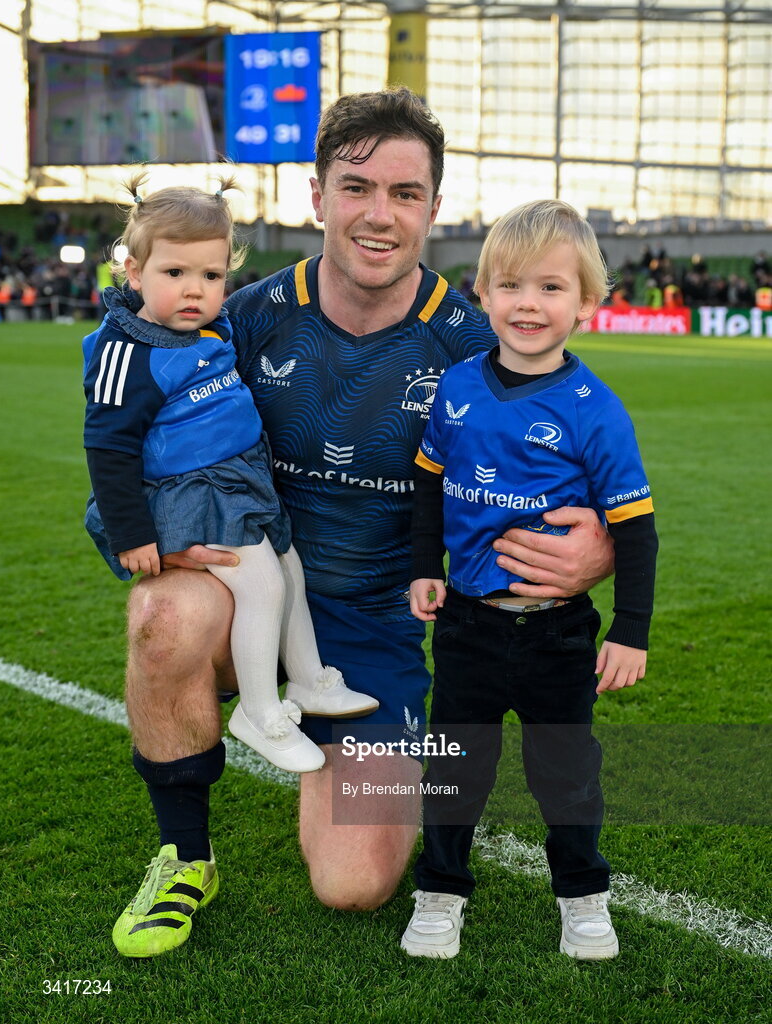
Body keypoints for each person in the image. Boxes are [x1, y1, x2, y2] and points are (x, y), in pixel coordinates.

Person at [115, 88, 615, 959]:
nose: (379, 215)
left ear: (433, 205)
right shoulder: (242, 321)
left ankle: (329, 741)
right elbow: (119, 435)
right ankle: (184, 857)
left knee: (356, 884)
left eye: (405, 193)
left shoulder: (475, 346)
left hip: (375, 630)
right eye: (356, 187)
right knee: (167, 615)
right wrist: (148, 532)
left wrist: (599, 546)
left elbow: (581, 453)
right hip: (244, 586)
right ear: (317, 198)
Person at [84, 173, 379, 954]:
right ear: (133, 271)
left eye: (211, 275)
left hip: (243, 483)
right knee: (261, 587)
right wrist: (131, 534)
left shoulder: (211, 334)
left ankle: (310, 679)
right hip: (196, 499)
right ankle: (260, 708)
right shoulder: (125, 349)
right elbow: (108, 447)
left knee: (292, 576)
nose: (195, 289)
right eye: (175, 273)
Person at [400, 199, 658, 961]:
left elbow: (636, 529)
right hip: (471, 627)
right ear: (483, 295)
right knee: (455, 772)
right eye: (510, 285)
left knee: (567, 775)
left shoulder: (596, 411)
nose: (529, 304)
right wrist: (425, 568)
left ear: (586, 303)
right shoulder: (457, 388)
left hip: (557, 632)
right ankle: (440, 896)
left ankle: (583, 899)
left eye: (551, 288)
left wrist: (630, 630)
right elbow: (427, 484)